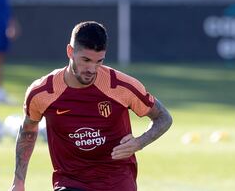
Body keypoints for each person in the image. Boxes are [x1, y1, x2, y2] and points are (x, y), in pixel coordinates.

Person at [9, 21, 172, 191]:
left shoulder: (121, 86)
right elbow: (28, 131)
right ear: (70, 52)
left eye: (98, 61)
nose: (92, 69)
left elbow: (164, 117)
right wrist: (18, 181)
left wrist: (139, 143)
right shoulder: (42, 92)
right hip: (70, 182)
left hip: (116, 181)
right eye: (86, 60)